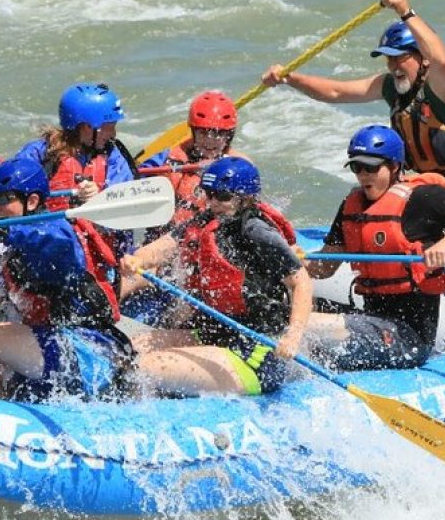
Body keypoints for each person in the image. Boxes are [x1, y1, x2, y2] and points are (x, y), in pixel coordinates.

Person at [261, 0, 445, 217]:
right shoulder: (392, 86)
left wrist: (405, 11)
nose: (393, 65)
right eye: (389, 59)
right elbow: (336, 92)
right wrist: (289, 79)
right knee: (359, 202)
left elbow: (440, 59)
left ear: (422, 58)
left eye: (400, 57)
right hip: (429, 192)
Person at [301, 125, 445, 370]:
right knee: (287, 311)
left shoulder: (424, 198)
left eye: (371, 167)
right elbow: (326, 267)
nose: (364, 175)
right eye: (357, 167)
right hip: (371, 319)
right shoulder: (351, 207)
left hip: (407, 337)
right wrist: (292, 261)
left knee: (302, 324)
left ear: (395, 166)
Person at [121, 157, 312, 397]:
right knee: (132, 347)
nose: (213, 202)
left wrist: (293, 336)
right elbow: (163, 247)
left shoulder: (257, 232)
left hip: (256, 354)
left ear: (245, 199)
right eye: (208, 193)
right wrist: (138, 259)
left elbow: (301, 281)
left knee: (147, 366)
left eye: (222, 196)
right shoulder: (207, 219)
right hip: (216, 333)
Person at [0, 157, 134, 400]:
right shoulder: (17, 232)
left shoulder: (54, 229)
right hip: (55, 342)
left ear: (32, 201)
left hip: (87, 350)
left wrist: (0, 228)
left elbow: (52, 242)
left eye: (3, 199)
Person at [11, 82, 137, 256]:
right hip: (49, 244)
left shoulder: (113, 156)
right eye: (109, 127)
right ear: (87, 126)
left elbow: (125, 201)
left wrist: (100, 197)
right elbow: (13, 195)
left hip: (98, 251)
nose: (113, 134)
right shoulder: (40, 153)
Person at [140, 90, 249, 237]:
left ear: (229, 136)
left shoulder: (240, 166)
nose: (210, 140)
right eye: (203, 133)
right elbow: (135, 179)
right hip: (171, 240)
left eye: (218, 134)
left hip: (216, 239)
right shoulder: (167, 158)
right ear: (193, 132)